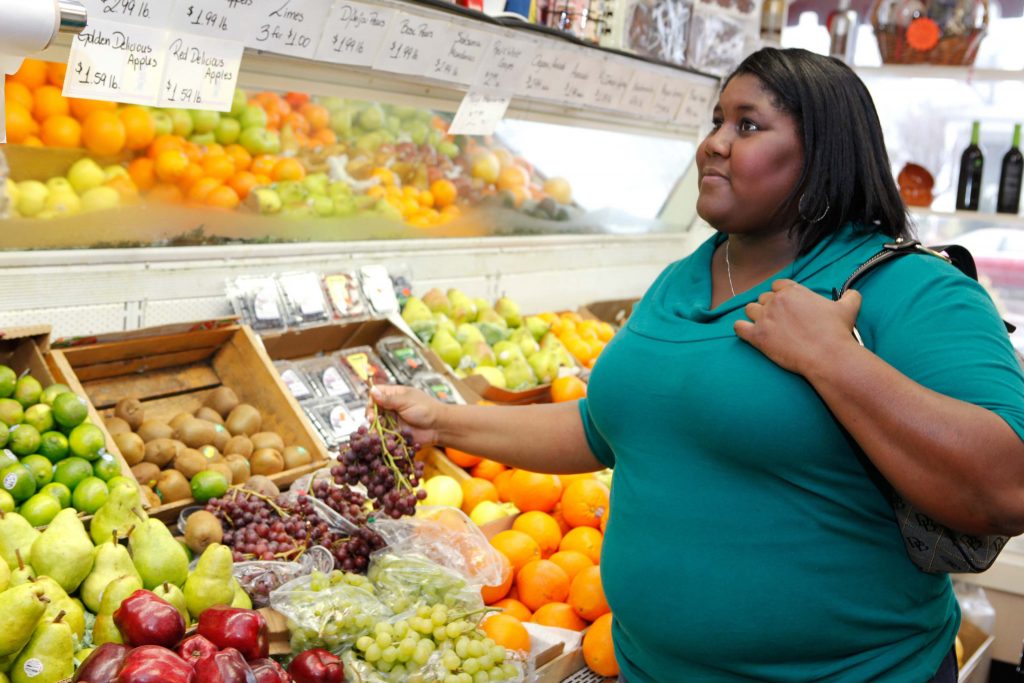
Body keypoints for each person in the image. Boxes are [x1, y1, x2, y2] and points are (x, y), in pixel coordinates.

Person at [371, 47, 1024, 682]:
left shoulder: (908, 288)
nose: (714, 142)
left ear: (826, 152)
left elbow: (1007, 487)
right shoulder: (682, 279)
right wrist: (444, 422)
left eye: (747, 124)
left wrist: (833, 360)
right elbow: (603, 430)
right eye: (715, 120)